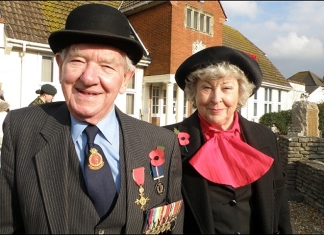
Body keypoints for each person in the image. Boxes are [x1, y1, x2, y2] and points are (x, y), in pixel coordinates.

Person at [0, 3, 183, 234]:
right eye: (78, 61)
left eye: (106, 66)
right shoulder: (21, 129)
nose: (88, 78)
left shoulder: (161, 143)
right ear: (60, 65)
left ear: (126, 79)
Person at [164, 46, 292, 234]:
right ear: (195, 93)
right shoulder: (166, 141)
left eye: (226, 88)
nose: (216, 99)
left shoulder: (266, 137)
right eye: (206, 87)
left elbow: (280, 206)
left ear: (240, 93)